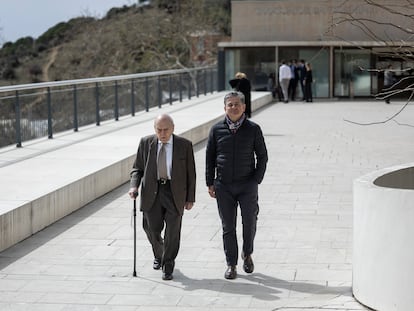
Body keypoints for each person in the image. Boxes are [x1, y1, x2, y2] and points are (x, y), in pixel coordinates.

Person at [205, 91, 268, 280]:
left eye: (236, 104)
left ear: (244, 107)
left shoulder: (253, 129)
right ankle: (231, 264)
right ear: (225, 108)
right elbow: (209, 157)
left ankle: (247, 253)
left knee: (249, 222)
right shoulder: (216, 130)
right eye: (229, 105)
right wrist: (210, 182)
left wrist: (256, 179)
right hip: (223, 185)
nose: (233, 107)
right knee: (228, 226)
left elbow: (263, 156)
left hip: (247, 184)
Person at [128, 114, 196, 281]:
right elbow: (137, 168)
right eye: (159, 130)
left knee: (173, 231)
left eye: (166, 130)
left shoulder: (184, 145)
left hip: (175, 192)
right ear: (154, 129)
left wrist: (190, 198)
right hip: (152, 190)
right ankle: (159, 254)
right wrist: (134, 186)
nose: (163, 133)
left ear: (173, 128)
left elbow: (191, 174)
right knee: (151, 228)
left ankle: (168, 264)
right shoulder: (146, 143)